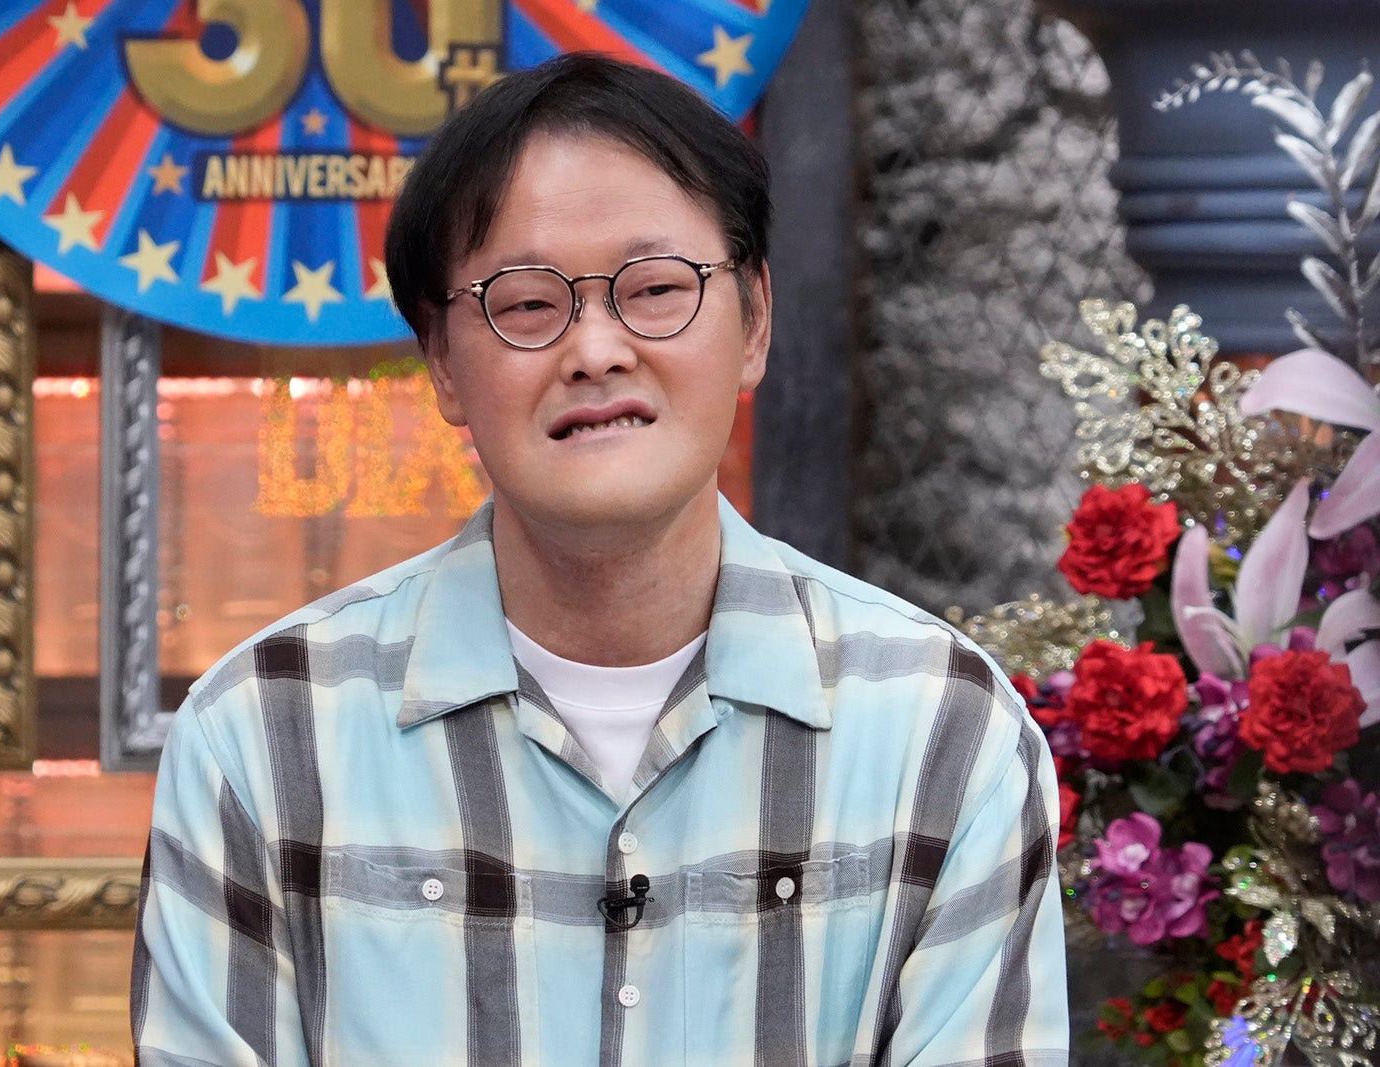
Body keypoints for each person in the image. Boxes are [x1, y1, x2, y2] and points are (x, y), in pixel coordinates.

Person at [131, 53, 1068, 1067]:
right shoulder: (264, 737)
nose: (596, 350)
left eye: (654, 288)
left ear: (755, 320)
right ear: (442, 362)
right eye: (528, 304)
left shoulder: (939, 730)